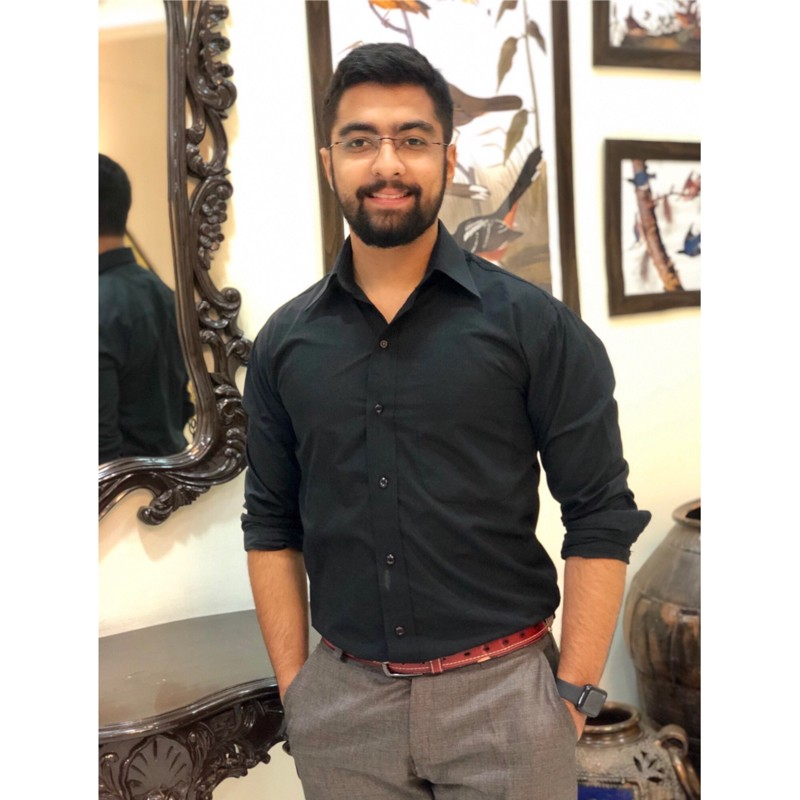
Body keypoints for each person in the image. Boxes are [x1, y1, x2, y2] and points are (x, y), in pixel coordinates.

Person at [242, 43, 650, 799]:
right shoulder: (283, 344)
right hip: (343, 711)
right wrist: (299, 689)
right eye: (359, 141)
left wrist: (570, 699)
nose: (387, 164)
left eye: (413, 139)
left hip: (507, 703)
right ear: (329, 162)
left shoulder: (535, 328)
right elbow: (269, 523)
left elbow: (599, 513)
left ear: (448, 158)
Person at [99, 153, 194, 464]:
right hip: (171, 472)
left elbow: (99, 445)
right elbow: (183, 405)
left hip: (119, 487)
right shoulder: (164, 292)